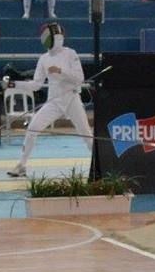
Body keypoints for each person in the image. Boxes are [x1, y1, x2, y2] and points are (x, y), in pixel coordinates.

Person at [5, 23, 91, 178]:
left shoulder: (71, 53)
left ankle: (100, 164)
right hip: (54, 102)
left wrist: (61, 71)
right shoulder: (44, 59)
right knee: (33, 128)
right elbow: (36, 85)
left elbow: (80, 78)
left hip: (72, 99)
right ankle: (21, 165)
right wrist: (14, 84)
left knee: (86, 133)